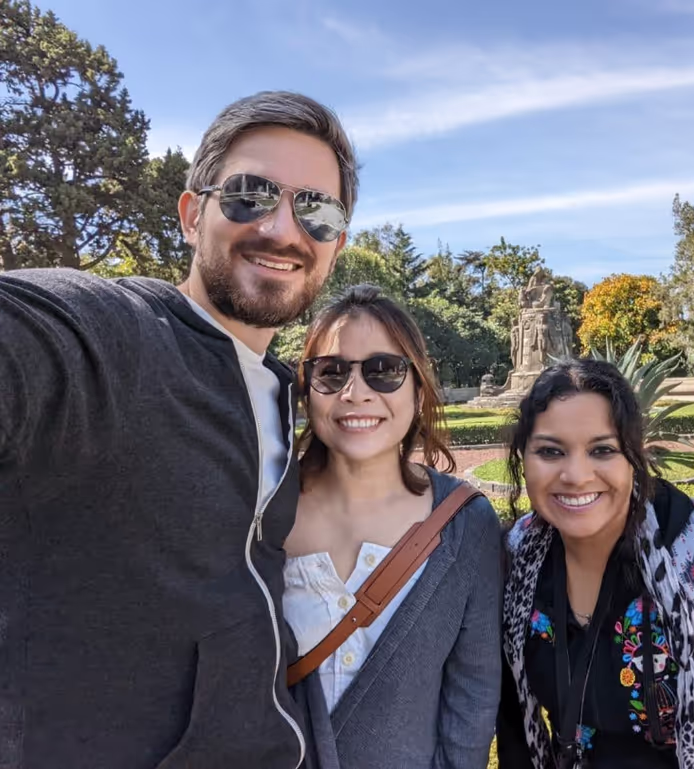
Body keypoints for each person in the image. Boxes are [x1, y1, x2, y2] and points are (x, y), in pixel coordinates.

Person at [0, 91, 357, 769]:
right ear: (193, 216)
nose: (283, 229)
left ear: (335, 247)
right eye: (250, 195)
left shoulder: (282, 397)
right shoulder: (114, 337)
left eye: (317, 210)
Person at [496, 359, 694, 769]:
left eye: (602, 450)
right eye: (550, 451)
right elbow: (513, 723)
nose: (575, 475)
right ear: (523, 457)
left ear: (634, 456)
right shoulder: (516, 560)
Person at [285, 285, 503, 769]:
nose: (355, 392)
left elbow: (472, 694)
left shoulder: (465, 523)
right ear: (307, 390)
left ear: (419, 390)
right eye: (331, 372)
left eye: (384, 371)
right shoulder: (264, 512)